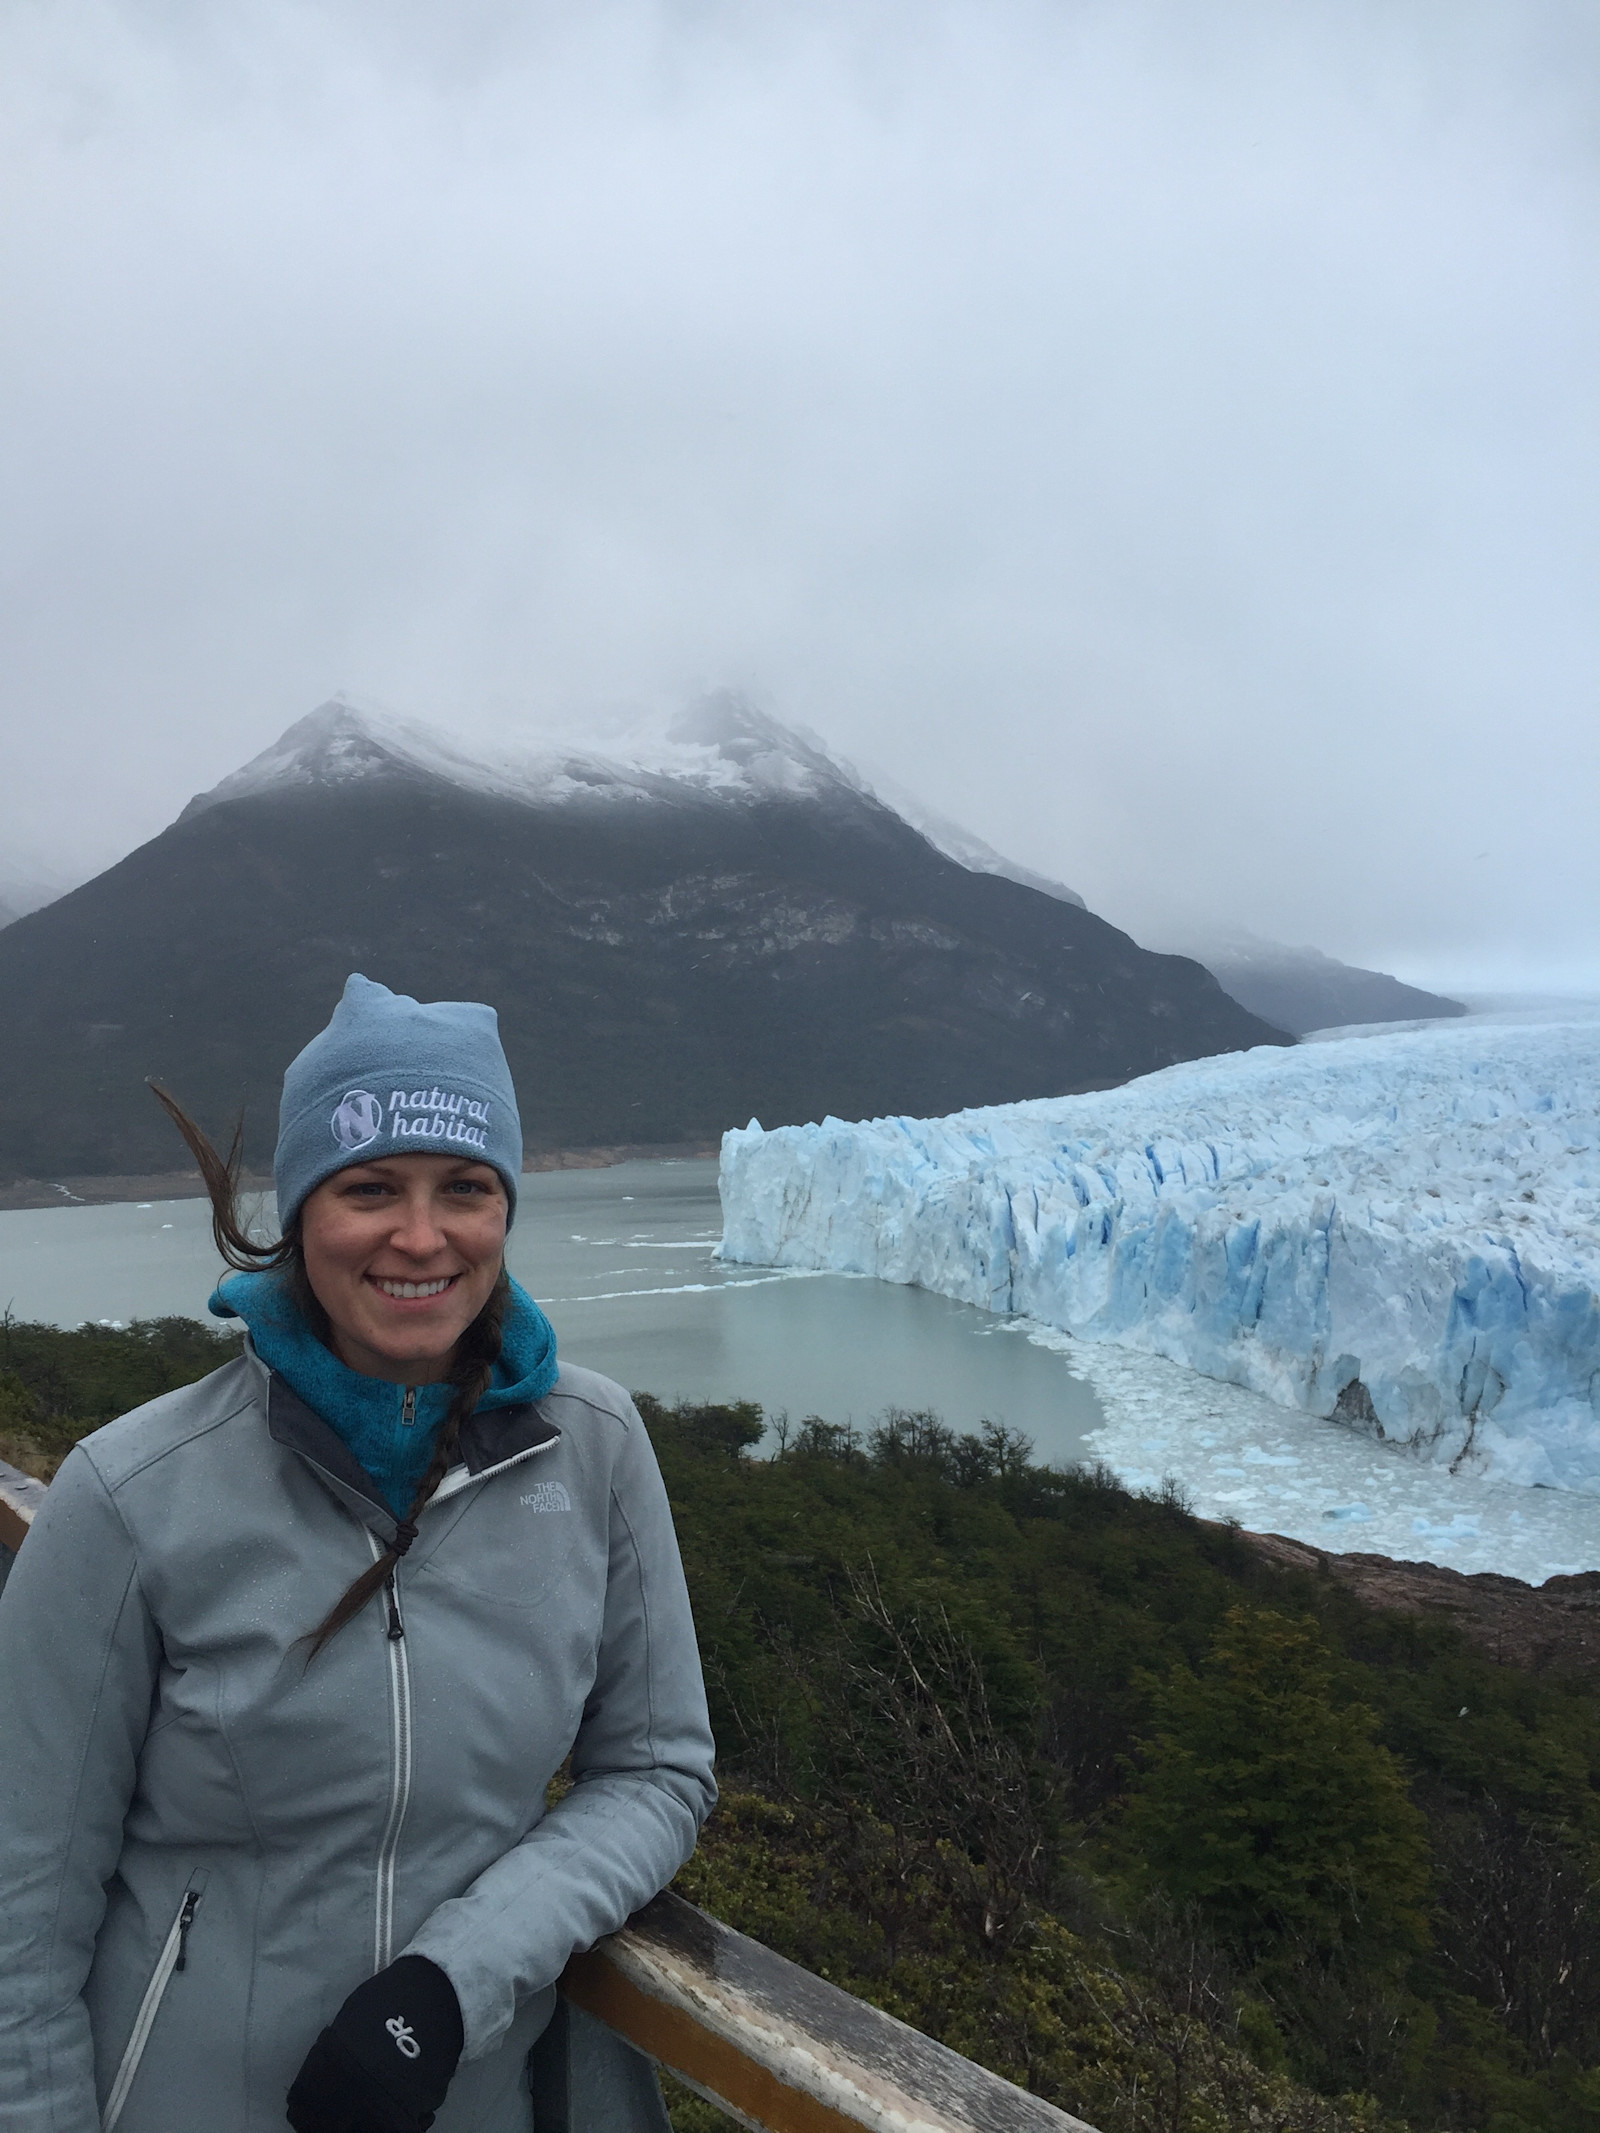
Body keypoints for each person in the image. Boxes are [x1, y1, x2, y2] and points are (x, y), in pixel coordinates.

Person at [0, 974, 717, 2132]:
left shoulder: (593, 1447)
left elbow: (657, 1772)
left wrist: (449, 1985)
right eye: (370, 1187)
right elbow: (21, 1896)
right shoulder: (131, 1492)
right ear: (302, 1214)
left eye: (465, 1188)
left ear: (506, 1209)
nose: (421, 1237)